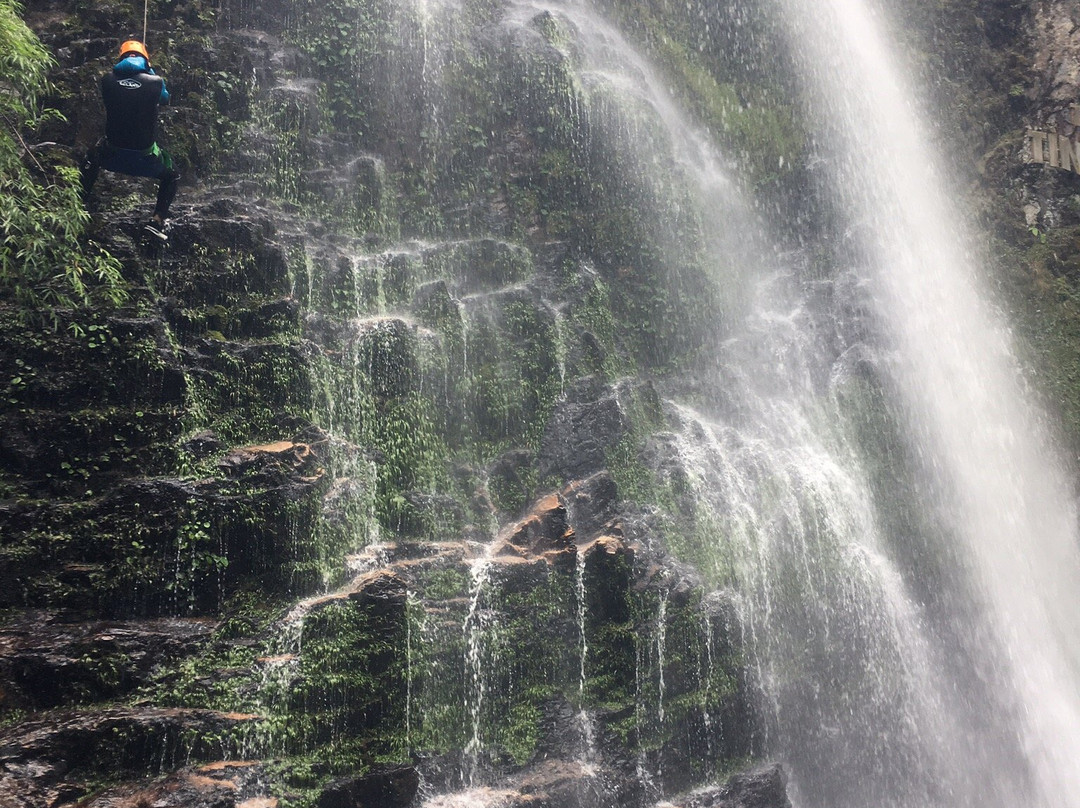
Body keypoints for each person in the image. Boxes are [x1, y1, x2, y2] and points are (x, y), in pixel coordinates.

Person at [80, 40, 178, 242]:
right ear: (146, 60)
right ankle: (157, 221)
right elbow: (165, 99)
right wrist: (151, 73)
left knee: (90, 158)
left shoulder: (107, 80)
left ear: (121, 58)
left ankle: (79, 206)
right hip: (145, 159)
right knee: (172, 176)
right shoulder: (156, 82)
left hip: (112, 155)